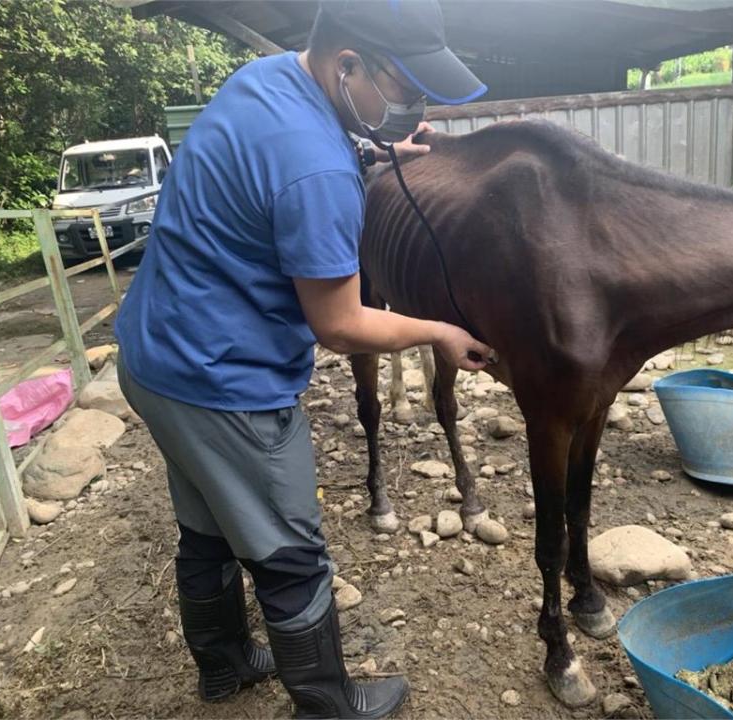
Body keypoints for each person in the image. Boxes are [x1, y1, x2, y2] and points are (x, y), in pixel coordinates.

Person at [114, 1, 491, 718]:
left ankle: (224, 666)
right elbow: (341, 327)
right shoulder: (314, 172)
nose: (412, 106)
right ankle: (330, 707)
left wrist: (377, 154)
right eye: (405, 89)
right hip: (222, 379)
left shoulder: (268, 80)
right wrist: (439, 332)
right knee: (290, 553)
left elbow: (274, 160)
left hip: (155, 354)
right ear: (346, 65)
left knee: (209, 523)